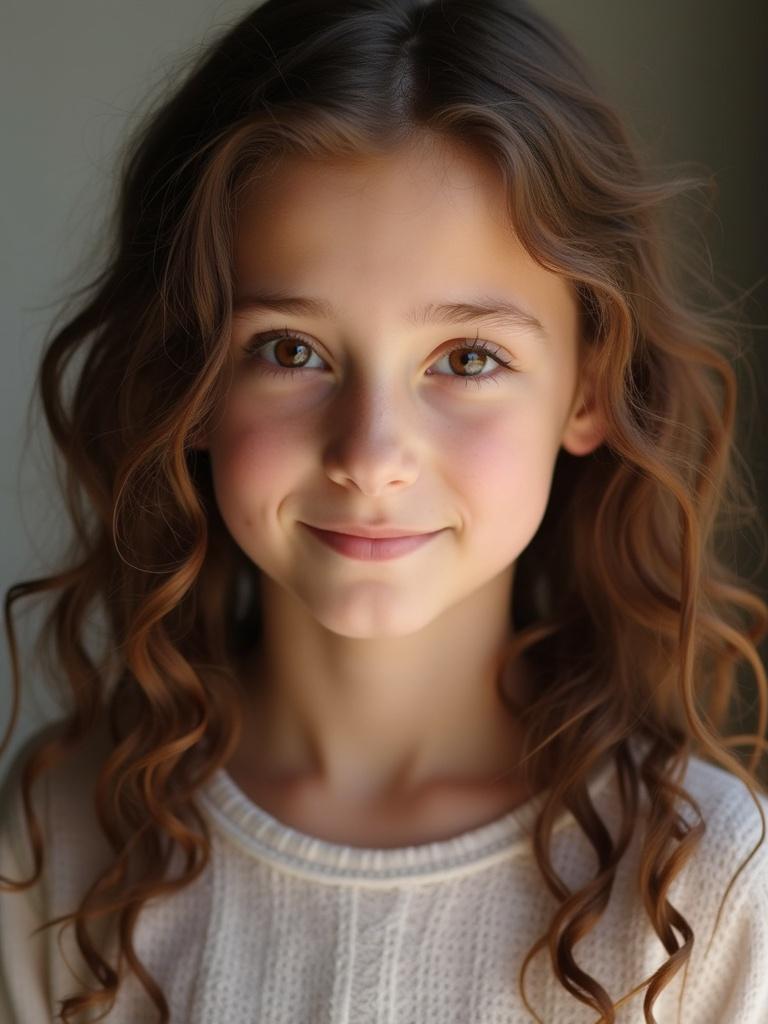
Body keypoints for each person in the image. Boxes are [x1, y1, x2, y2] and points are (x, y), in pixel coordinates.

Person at [1, 0, 767, 1021]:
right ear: (189, 373)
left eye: (467, 359)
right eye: (290, 349)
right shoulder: (64, 840)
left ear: (587, 389)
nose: (369, 457)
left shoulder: (701, 885)